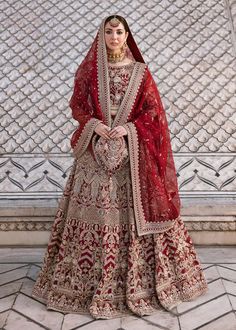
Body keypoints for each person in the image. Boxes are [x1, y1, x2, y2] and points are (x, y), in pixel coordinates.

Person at [32, 15, 208, 319]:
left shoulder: (141, 73)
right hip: (94, 153)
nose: (114, 36)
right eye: (109, 31)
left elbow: (153, 112)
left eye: (119, 31)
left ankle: (146, 283)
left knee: (135, 212)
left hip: (133, 154)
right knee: (95, 211)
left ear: (127, 36)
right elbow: (78, 104)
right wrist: (95, 124)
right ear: (102, 36)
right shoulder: (90, 70)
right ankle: (80, 284)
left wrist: (129, 129)